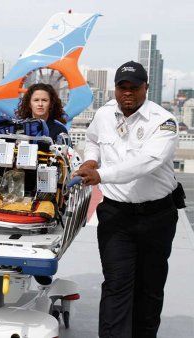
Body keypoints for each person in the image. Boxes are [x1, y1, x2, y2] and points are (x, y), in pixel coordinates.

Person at [74, 61, 183, 338]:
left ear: (146, 88)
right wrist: (90, 160)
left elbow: (145, 163)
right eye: (122, 87)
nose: (127, 93)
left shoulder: (164, 122)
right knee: (116, 284)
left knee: (149, 288)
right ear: (115, 89)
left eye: (134, 88)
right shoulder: (104, 113)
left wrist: (100, 175)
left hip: (157, 217)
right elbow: (93, 139)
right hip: (116, 216)